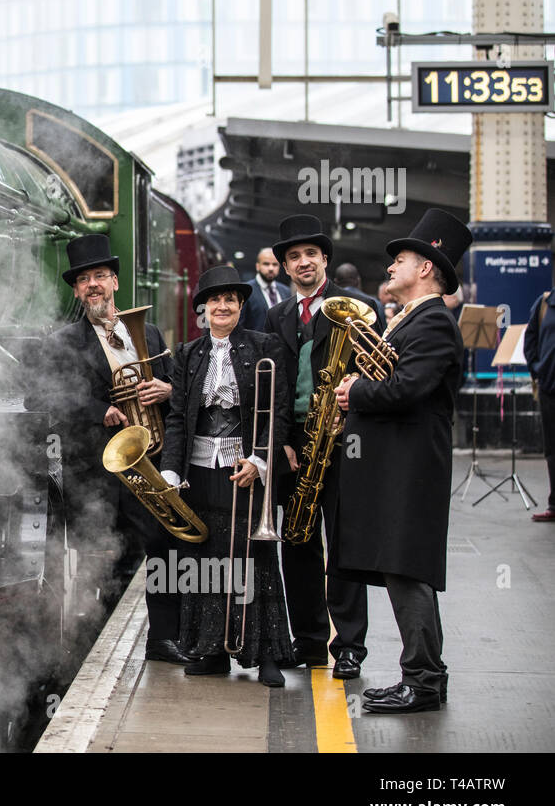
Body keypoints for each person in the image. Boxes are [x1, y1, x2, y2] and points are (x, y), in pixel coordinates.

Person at [334, 207, 473, 713]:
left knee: (408, 569)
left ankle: (424, 681)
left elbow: (408, 388)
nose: (390, 267)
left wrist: (356, 392)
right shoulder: (409, 319)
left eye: (402, 259)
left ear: (427, 269)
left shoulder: (434, 322)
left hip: (411, 471)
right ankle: (421, 676)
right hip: (395, 467)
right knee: (399, 569)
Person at [23, 234, 187, 661]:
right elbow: (37, 401)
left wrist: (166, 390)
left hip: (148, 465)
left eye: (100, 276)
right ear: (76, 290)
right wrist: (100, 410)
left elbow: (178, 391)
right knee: (98, 561)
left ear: (115, 281)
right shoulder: (62, 342)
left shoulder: (147, 331)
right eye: (84, 280)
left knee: (162, 552)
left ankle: (163, 638)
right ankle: (94, 645)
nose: (93, 285)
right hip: (96, 475)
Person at [158, 265, 293, 686]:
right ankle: (212, 649)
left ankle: (266, 653)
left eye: (230, 300)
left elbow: (280, 412)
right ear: (203, 308)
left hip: (246, 470)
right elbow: (179, 417)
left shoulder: (265, 345)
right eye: (214, 300)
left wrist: (261, 461)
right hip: (200, 472)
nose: (222, 306)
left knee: (256, 557)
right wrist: (169, 470)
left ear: (239, 307)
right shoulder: (187, 354)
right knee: (208, 559)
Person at [262, 215, 377, 680]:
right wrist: (284, 442)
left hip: (344, 442)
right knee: (299, 542)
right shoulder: (277, 316)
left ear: (324, 260)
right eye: (293, 257)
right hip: (297, 445)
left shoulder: (360, 307)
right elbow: (277, 384)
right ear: (285, 266)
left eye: (311, 254)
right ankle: (308, 640)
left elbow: (379, 373)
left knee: (345, 543)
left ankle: (349, 645)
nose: (303, 262)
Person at [524, 288, 555, 523]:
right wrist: (538, 370)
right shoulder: (545, 302)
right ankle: (554, 504)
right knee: (552, 449)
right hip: (549, 388)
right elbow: (530, 340)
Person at [242, 248, 289, 332]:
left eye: (275, 264)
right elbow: (240, 326)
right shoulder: (246, 290)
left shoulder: (286, 291)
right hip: (254, 344)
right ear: (257, 266)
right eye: (266, 264)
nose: (271, 268)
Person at [332, 262, 387, 334]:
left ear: (335, 281)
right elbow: (382, 332)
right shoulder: (374, 303)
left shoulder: (329, 303)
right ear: (358, 280)